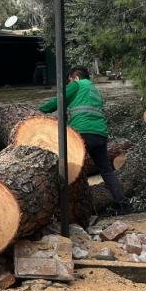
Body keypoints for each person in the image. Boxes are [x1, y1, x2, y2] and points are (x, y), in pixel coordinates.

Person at [39, 66, 132, 215]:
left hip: (82, 134)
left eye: (69, 80)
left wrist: (39, 111)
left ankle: (71, 210)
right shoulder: (95, 90)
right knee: (106, 170)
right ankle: (123, 204)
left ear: (75, 77)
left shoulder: (76, 85)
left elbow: (58, 101)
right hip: (100, 134)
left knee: (71, 169)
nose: (69, 83)